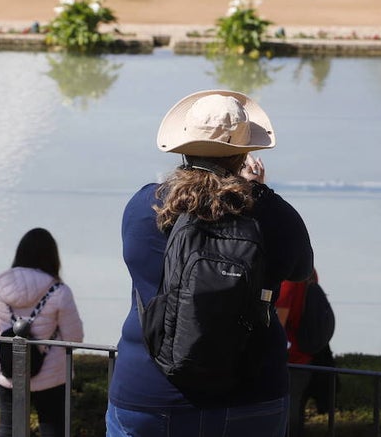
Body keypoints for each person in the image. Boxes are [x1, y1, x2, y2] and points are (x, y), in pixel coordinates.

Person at [106, 89, 314, 437]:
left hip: (149, 394)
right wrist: (258, 193)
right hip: (251, 395)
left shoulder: (146, 207)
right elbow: (301, 271)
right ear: (246, 152)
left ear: (183, 146)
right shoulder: (273, 214)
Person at [0, 228, 84, 437]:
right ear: (52, 257)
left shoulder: (0, 287)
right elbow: (74, 337)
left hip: (7, 367)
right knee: (53, 427)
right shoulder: (59, 291)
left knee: (9, 428)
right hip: (51, 373)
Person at [277, 272, 336, 437]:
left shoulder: (287, 279)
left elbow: (277, 326)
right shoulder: (307, 271)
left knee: (286, 413)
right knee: (295, 409)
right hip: (304, 357)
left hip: (290, 358)